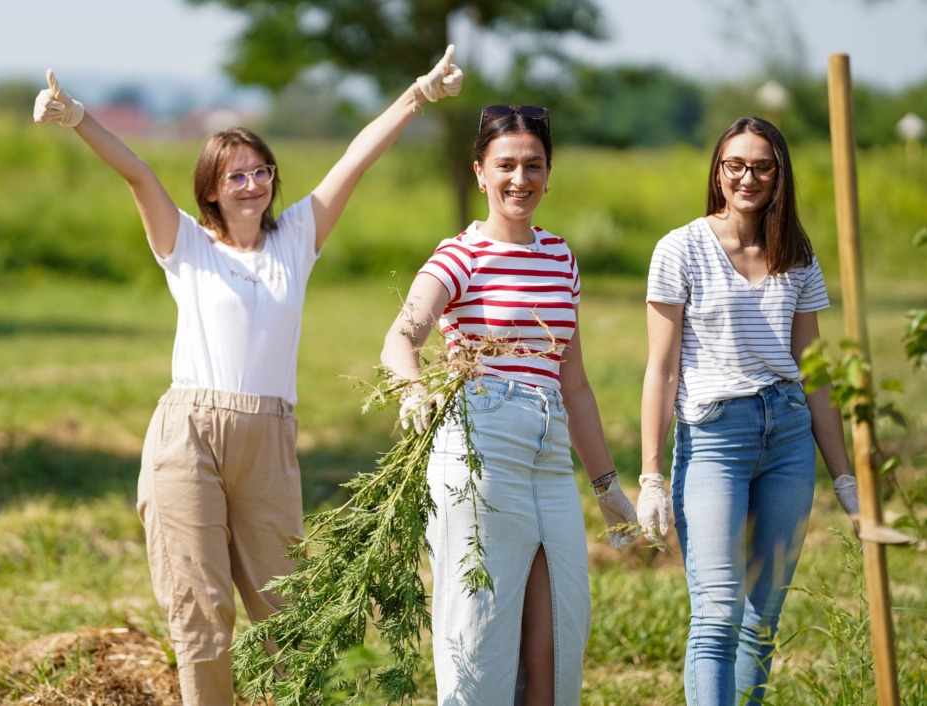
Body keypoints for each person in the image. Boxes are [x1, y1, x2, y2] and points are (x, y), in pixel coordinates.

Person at [33, 48, 463, 706]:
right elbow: (139, 174)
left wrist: (418, 94)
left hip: (268, 440)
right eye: (237, 176)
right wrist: (79, 118)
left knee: (285, 615)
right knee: (200, 615)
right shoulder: (186, 244)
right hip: (189, 436)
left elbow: (355, 159)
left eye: (262, 171)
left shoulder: (296, 237)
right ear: (211, 188)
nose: (253, 184)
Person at [380, 104, 639, 706]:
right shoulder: (460, 256)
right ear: (479, 172)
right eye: (505, 165)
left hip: (548, 457)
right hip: (482, 450)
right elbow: (401, 338)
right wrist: (414, 388)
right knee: (479, 635)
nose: (519, 179)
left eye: (533, 165)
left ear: (549, 173)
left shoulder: (560, 258)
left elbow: (572, 382)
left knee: (555, 639)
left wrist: (607, 488)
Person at [635, 116, 861, 705]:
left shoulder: (796, 253)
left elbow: (814, 372)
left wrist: (844, 477)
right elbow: (660, 369)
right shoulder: (679, 248)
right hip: (715, 438)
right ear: (718, 171)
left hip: (787, 437)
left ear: (780, 175)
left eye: (762, 166)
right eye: (734, 164)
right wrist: (652, 474)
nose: (747, 177)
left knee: (762, 622)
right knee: (716, 613)